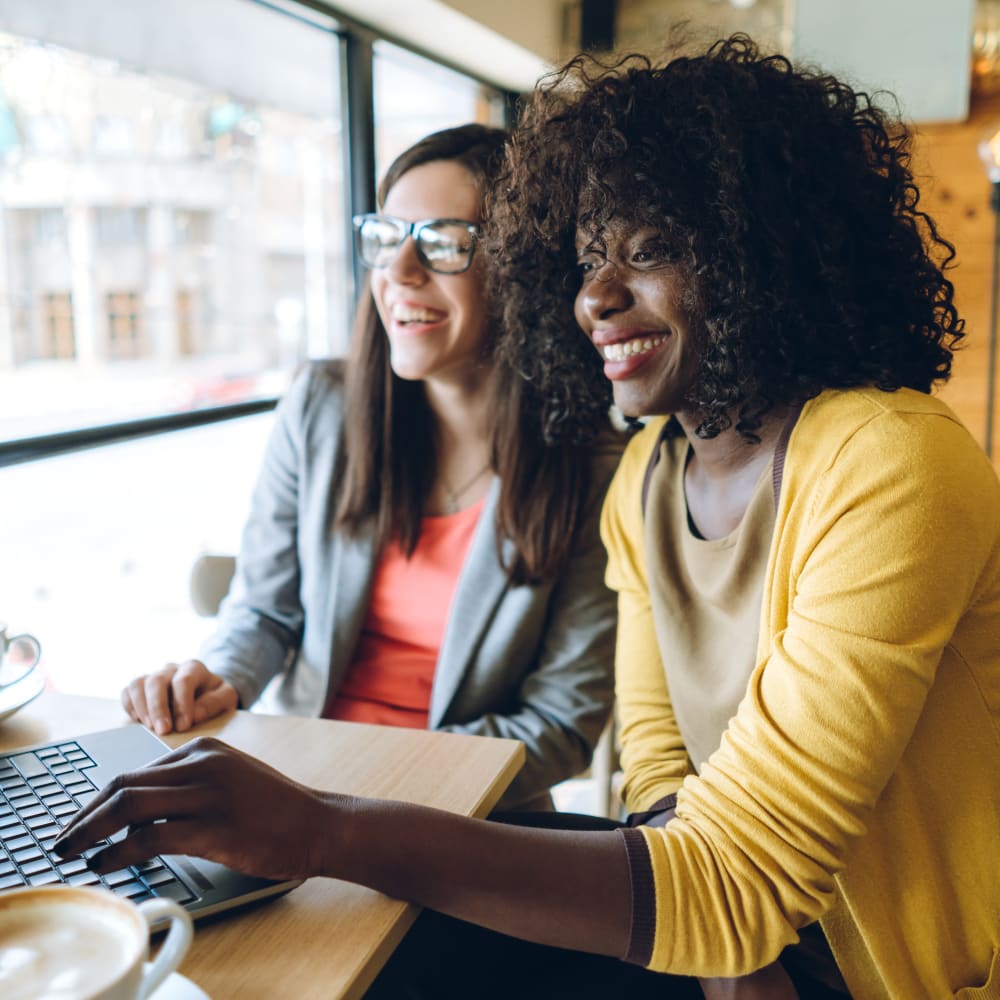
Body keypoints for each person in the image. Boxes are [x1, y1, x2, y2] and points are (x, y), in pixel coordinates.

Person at [55, 36, 1000, 999]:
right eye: (590, 258)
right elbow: (662, 761)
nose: (595, 296)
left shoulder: (889, 460)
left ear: (768, 251)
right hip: (734, 910)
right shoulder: (648, 475)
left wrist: (326, 828)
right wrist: (731, 951)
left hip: (888, 965)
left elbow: (727, 862)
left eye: (652, 251)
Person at [119, 123, 619, 809]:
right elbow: (265, 611)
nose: (400, 273)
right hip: (296, 788)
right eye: (386, 239)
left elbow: (561, 723)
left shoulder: (595, 467)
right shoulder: (319, 409)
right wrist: (217, 674)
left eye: (443, 243)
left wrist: (366, 787)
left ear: (522, 270)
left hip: (467, 821)